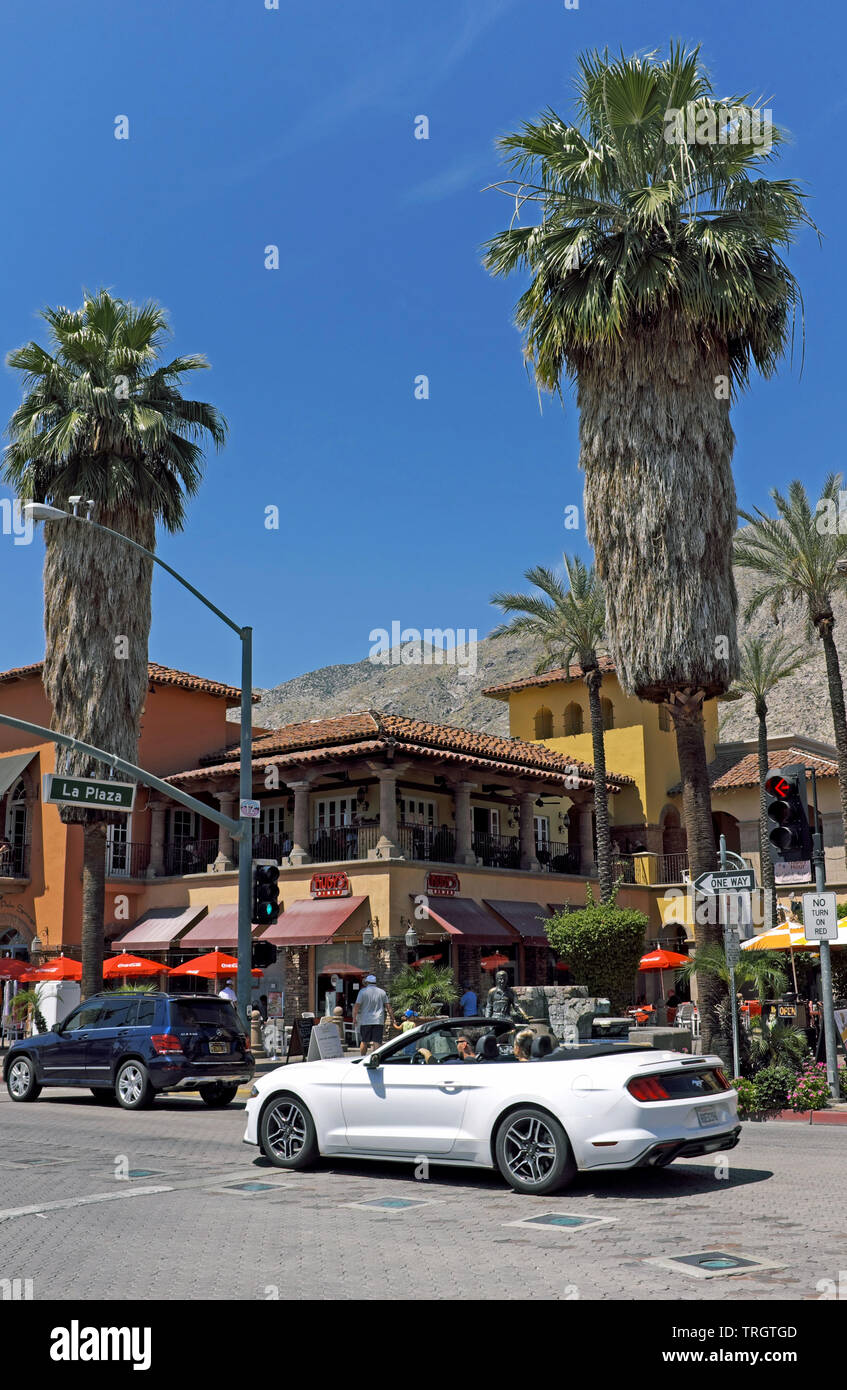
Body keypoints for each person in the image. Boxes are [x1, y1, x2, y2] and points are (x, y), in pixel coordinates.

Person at [352, 973, 396, 1055]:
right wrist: (393, 1019)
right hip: (378, 1020)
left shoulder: (362, 992)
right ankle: (375, 1058)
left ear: (367, 982)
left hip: (366, 1020)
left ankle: (362, 1057)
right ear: (375, 983)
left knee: (364, 1041)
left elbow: (356, 1006)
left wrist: (354, 1018)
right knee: (377, 1041)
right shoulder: (382, 992)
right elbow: (388, 1007)